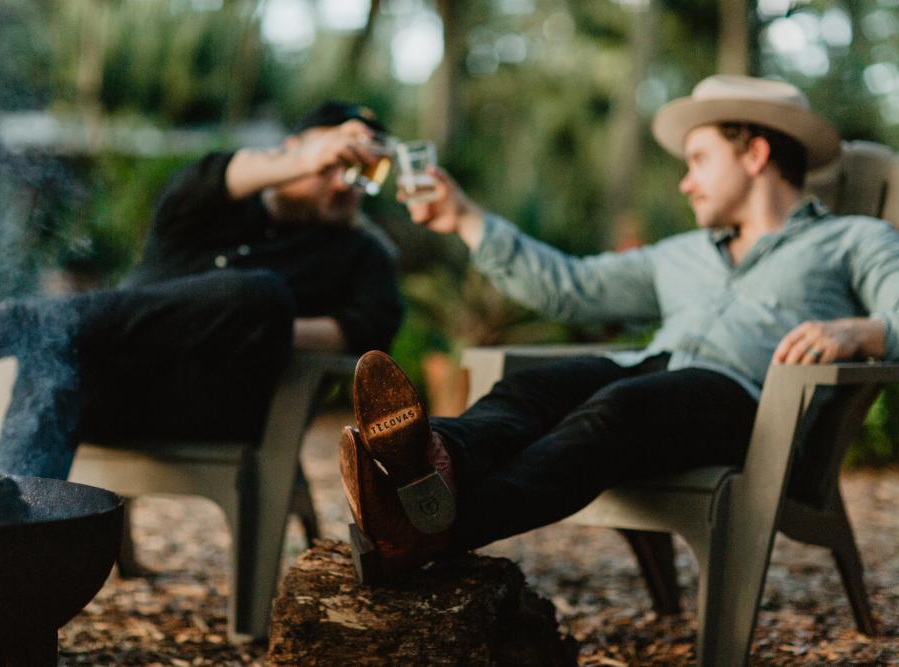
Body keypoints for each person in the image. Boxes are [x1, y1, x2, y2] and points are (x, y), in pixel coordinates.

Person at [339, 75, 899, 583]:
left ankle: (432, 530)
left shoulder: (853, 240)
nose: (686, 183)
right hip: (652, 372)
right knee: (531, 390)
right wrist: (464, 217)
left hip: (750, 408)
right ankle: (428, 467)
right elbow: (570, 286)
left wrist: (863, 332)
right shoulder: (679, 255)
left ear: (755, 154)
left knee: (622, 407)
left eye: (698, 160)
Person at [0, 101, 404, 480]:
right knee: (56, 357)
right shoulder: (209, 203)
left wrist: (255, 328)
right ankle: (14, 558)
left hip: (208, 402)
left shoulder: (362, 253)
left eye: (361, 173)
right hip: (110, 383)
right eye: (334, 162)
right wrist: (305, 160)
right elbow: (206, 176)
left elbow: (366, 329)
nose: (344, 184)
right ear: (291, 152)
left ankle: (13, 324)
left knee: (260, 298)